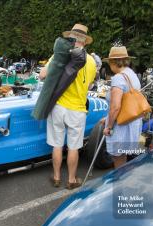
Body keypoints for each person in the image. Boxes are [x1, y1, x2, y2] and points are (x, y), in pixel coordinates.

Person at [40, 24, 96, 189]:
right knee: (73, 147)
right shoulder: (91, 61)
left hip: (58, 106)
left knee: (57, 144)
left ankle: (56, 177)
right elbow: (89, 85)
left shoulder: (60, 54)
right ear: (84, 42)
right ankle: (71, 180)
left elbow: (43, 75)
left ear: (71, 38)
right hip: (77, 109)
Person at [101, 46, 142, 169]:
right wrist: (107, 118)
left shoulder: (119, 78)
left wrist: (109, 125)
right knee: (123, 157)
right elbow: (126, 103)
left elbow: (115, 106)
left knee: (118, 160)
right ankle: (123, 183)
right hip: (132, 121)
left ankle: (119, 186)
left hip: (122, 125)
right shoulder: (131, 74)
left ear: (113, 62)